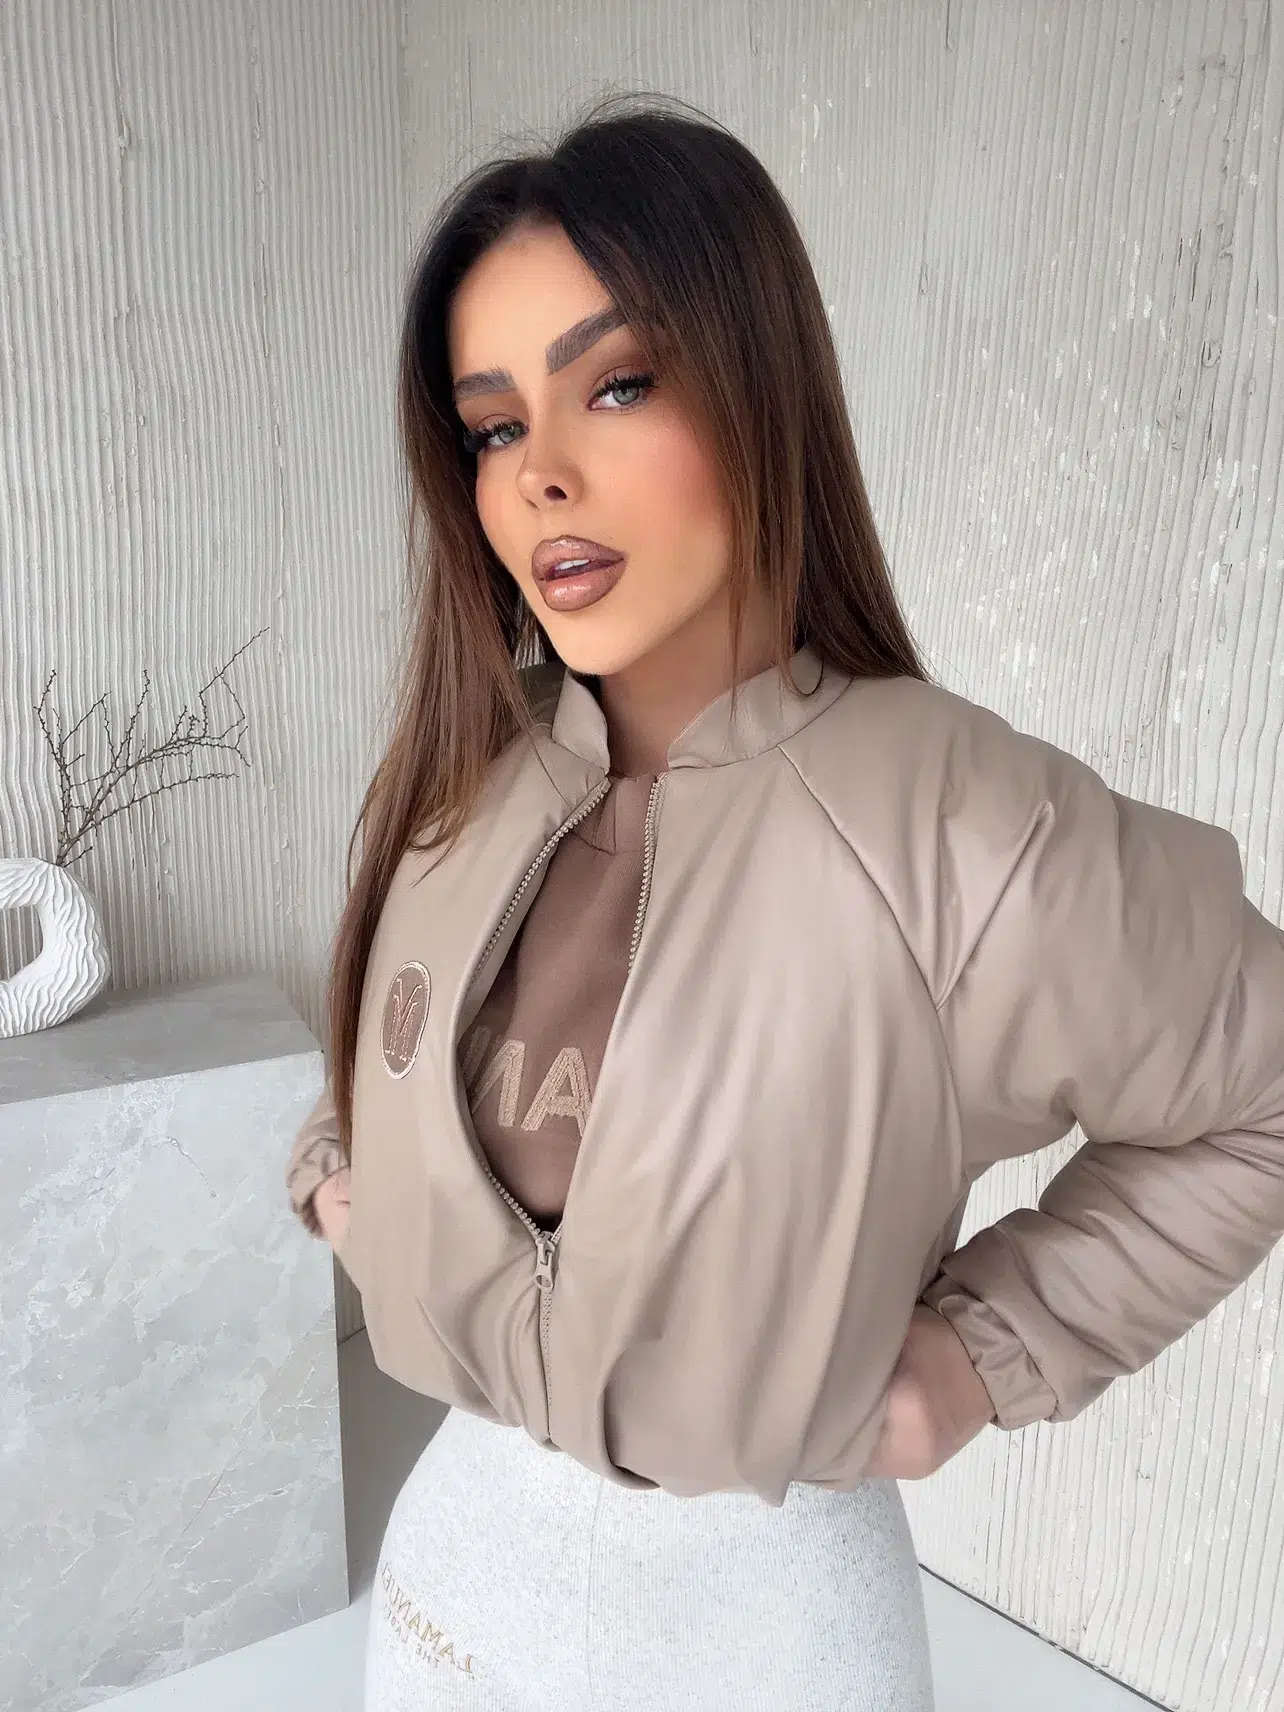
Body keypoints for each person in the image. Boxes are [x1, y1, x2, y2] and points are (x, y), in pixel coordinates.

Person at [285, 94, 1284, 1711]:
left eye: (617, 386)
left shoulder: (956, 825)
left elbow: (1264, 1087)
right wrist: (350, 1185)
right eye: (492, 428)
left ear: (757, 387)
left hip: (767, 1632)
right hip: (455, 1594)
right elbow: (383, 1056)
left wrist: (988, 1354)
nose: (542, 478)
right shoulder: (469, 784)